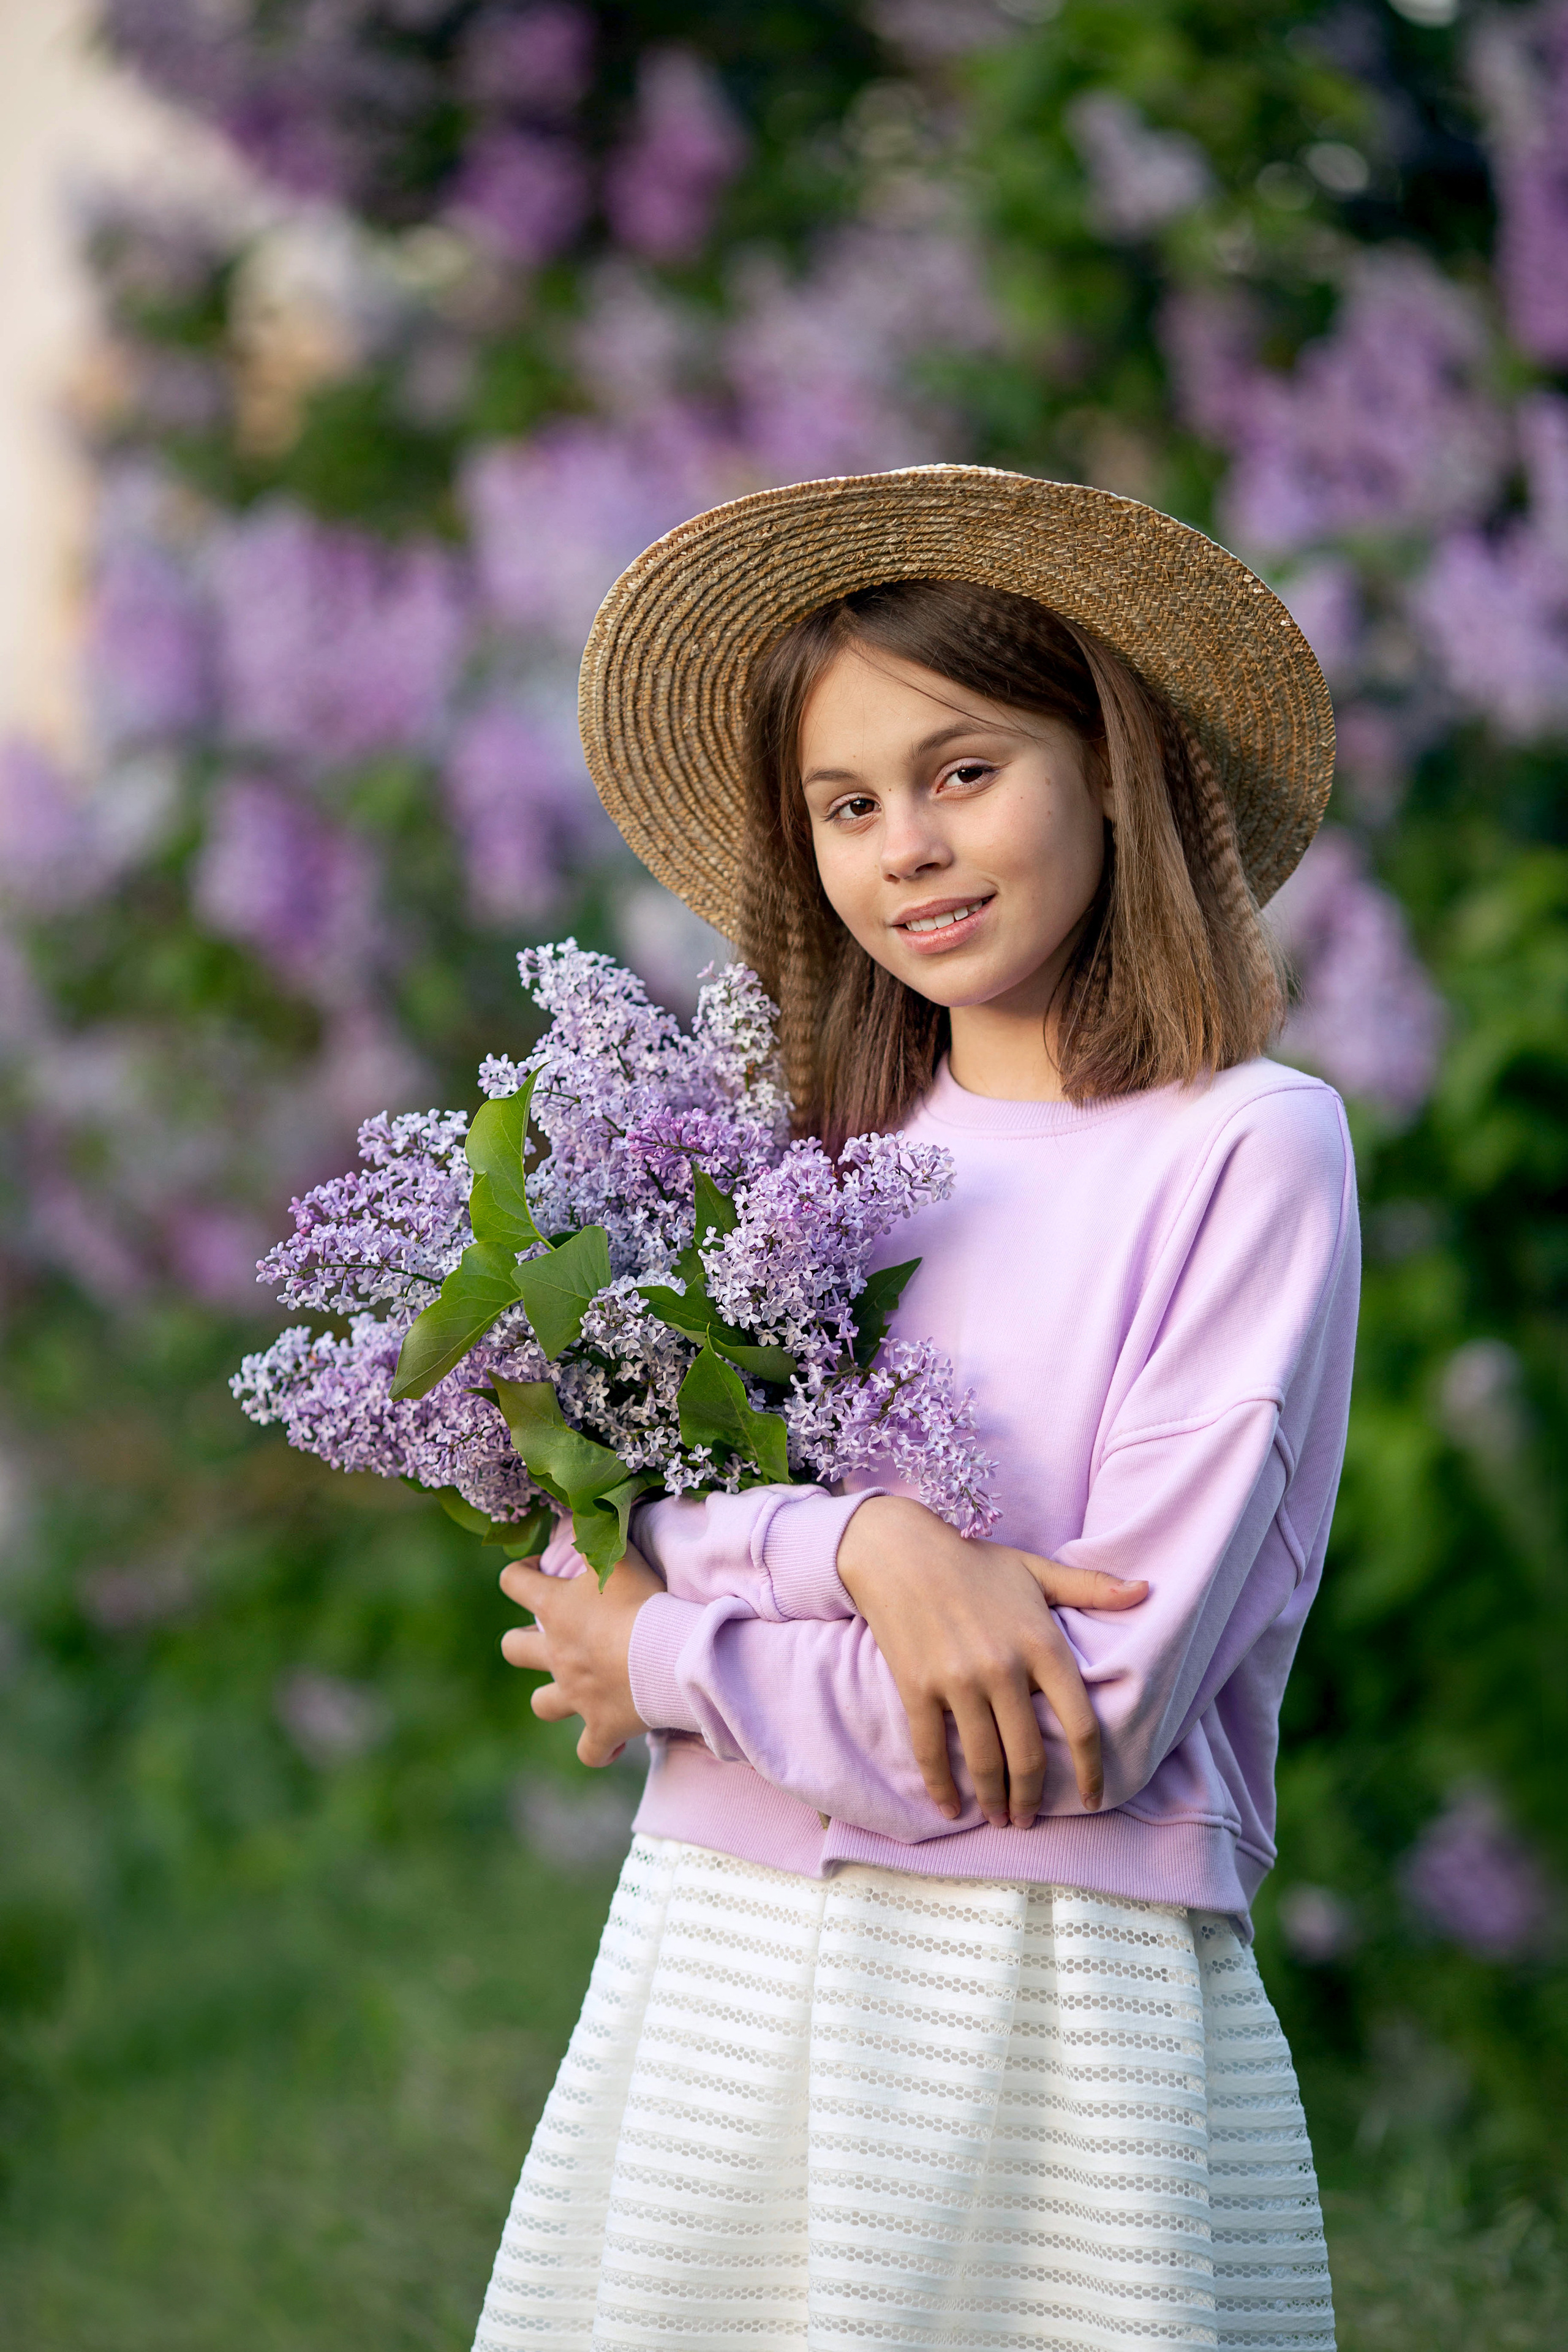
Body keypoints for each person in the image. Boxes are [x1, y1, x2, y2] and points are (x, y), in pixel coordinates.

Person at [470, 466, 1357, 2352]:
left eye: (966, 773)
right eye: (848, 806)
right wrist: (868, 1545)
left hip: (1053, 1992)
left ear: (1109, 766)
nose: (910, 851)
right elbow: (591, 1531)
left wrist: (689, 1665)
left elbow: (1083, 1720)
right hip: (715, 1957)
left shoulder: (1246, 1150)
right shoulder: (796, 1152)